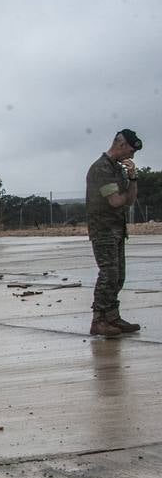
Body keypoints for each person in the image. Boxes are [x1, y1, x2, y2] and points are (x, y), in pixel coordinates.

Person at [86, 129, 144, 337]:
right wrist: (127, 188)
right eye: (130, 150)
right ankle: (98, 321)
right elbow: (116, 201)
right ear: (120, 145)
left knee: (118, 276)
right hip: (103, 230)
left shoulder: (117, 169)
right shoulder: (101, 169)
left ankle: (112, 317)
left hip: (117, 228)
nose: (132, 156)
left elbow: (129, 200)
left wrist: (133, 178)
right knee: (108, 274)